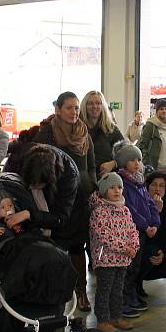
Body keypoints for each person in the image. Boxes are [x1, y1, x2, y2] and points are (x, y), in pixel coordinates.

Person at [34, 92, 96, 312]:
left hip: (81, 199)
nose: (74, 112)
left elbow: (91, 166)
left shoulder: (84, 133)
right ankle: (59, 294)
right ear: (58, 109)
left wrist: (92, 188)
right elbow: (40, 167)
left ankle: (81, 291)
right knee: (58, 248)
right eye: (69, 108)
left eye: (76, 108)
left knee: (78, 247)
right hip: (57, 199)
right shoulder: (46, 134)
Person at [89, 172, 139, 332]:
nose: (117, 191)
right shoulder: (99, 211)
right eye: (112, 187)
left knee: (118, 290)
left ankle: (115, 317)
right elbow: (104, 236)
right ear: (104, 190)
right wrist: (125, 248)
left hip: (122, 259)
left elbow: (133, 229)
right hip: (105, 259)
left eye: (119, 187)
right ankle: (102, 320)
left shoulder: (124, 210)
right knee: (105, 290)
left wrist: (134, 246)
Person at [114, 142, 159, 318]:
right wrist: (146, 226)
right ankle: (124, 301)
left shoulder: (140, 181)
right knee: (129, 267)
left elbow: (149, 203)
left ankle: (132, 295)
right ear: (124, 162)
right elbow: (130, 209)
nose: (136, 163)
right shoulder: (122, 183)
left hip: (143, 231)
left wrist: (155, 222)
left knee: (136, 266)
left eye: (138, 159)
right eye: (132, 159)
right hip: (131, 231)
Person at [139, 172, 166, 286]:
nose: (157, 189)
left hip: (155, 253)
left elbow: (165, 239)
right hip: (139, 252)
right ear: (147, 187)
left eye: (161, 185)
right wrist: (155, 212)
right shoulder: (139, 204)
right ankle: (134, 284)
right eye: (154, 184)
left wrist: (163, 255)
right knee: (150, 251)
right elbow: (145, 237)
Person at [80, 90, 124, 178]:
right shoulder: (77, 128)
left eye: (98, 103)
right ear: (85, 106)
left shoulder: (111, 129)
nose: (94, 106)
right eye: (90, 103)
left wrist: (114, 163)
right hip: (83, 180)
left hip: (106, 180)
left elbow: (126, 152)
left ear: (102, 106)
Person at [137, 99, 166, 186]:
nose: (164, 111)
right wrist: (147, 164)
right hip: (154, 168)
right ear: (157, 111)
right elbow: (142, 145)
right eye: (161, 109)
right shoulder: (151, 125)